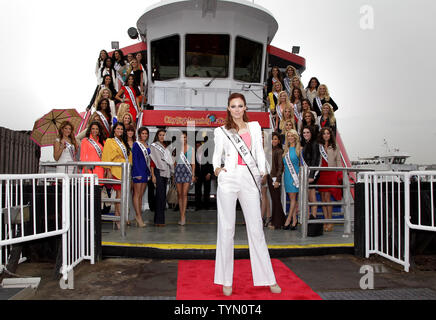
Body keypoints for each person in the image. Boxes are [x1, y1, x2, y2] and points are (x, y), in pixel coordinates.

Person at [212, 92, 281, 296]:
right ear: (228, 108)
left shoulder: (255, 127)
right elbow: (217, 156)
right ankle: (226, 280)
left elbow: (259, 151)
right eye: (233, 106)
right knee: (226, 229)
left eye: (240, 106)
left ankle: (268, 278)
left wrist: (263, 171)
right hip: (229, 178)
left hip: (250, 178)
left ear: (245, 108)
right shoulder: (221, 131)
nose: (236, 110)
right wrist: (217, 170)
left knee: (257, 229)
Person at [101, 123, 132, 230]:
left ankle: (117, 217)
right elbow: (106, 155)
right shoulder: (110, 141)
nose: (120, 130)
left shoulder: (123, 142)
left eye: (121, 129)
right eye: (118, 128)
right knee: (119, 195)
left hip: (123, 171)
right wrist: (108, 170)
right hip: (115, 170)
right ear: (114, 130)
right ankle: (119, 219)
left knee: (121, 195)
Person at [317, 127, 342, 232]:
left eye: (328, 133)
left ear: (330, 135)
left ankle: (330, 221)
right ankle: (326, 221)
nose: (326, 135)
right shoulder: (319, 146)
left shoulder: (335, 146)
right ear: (322, 135)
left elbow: (338, 161)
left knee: (327, 198)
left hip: (330, 173)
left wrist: (340, 173)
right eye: (324, 133)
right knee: (322, 198)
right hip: (321, 173)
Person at [150, 129, 174, 226]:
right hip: (158, 172)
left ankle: (158, 220)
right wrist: (153, 175)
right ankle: (159, 221)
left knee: (162, 197)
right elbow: (152, 162)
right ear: (157, 136)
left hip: (166, 172)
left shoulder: (167, 146)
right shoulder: (154, 146)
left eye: (164, 135)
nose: (162, 137)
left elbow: (170, 160)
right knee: (160, 196)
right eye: (160, 135)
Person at [131, 126, 151, 228]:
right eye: (142, 133)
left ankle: (138, 216)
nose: (144, 135)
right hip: (138, 172)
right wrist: (137, 173)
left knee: (140, 195)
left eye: (146, 134)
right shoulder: (136, 144)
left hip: (145, 171)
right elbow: (134, 159)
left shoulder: (147, 144)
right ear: (139, 134)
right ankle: (138, 217)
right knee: (137, 194)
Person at [174, 131, 195, 226]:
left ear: (187, 138)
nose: (183, 139)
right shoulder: (176, 148)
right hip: (178, 171)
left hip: (187, 172)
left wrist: (193, 175)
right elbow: (174, 162)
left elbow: (193, 163)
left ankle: (183, 216)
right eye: (182, 137)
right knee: (179, 194)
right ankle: (181, 214)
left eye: (185, 137)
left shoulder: (191, 149)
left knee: (184, 194)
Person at [282, 129, 301, 230]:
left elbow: (302, 165)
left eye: (292, 136)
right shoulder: (286, 150)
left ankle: (288, 219)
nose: (290, 137)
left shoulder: (299, 149)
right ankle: (294, 221)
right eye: (288, 136)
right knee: (291, 198)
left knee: (293, 199)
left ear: (295, 137)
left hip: (295, 177)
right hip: (287, 176)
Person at [301, 125, 321, 219]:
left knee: (312, 197)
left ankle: (313, 217)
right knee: (308, 197)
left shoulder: (315, 143)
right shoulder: (306, 143)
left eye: (308, 132)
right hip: (307, 173)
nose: (306, 134)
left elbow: (315, 160)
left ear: (311, 133)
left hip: (312, 174)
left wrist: (312, 175)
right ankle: (309, 218)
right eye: (304, 132)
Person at [267, 132, 285, 229]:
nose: (273, 141)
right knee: (274, 200)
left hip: (275, 178)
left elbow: (280, 167)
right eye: (272, 139)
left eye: (275, 139)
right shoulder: (269, 151)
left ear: (278, 141)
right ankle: (279, 221)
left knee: (276, 200)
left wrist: (277, 180)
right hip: (270, 178)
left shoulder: (279, 151)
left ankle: (277, 223)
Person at [194, 140, 214, 211]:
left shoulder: (207, 153)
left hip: (206, 175)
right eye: (196, 146)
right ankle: (198, 206)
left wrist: (209, 173)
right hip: (197, 175)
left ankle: (206, 206)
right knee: (197, 191)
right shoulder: (194, 154)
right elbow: (193, 165)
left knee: (206, 191)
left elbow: (211, 164)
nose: (198, 147)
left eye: (199, 145)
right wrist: (194, 175)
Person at [260, 132, 271, 228]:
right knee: (264, 197)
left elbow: (268, 164)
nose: (261, 138)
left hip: (264, 174)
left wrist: (265, 175)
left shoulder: (267, 150)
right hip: (257, 174)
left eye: (263, 137)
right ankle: (268, 216)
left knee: (263, 195)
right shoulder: (256, 147)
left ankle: (260, 218)